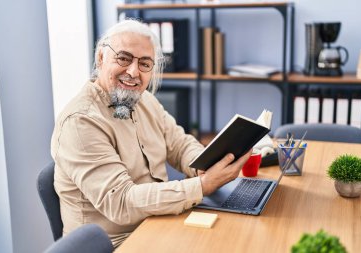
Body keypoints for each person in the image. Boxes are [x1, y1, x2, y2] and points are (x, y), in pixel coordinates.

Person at [51, 19, 251, 248]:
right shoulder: (80, 122)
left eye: (145, 64)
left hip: (159, 223)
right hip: (117, 244)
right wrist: (202, 186)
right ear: (101, 58)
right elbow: (121, 202)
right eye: (124, 58)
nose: (133, 72)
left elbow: (179, 144)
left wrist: (205, 165)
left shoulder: (143, 99)